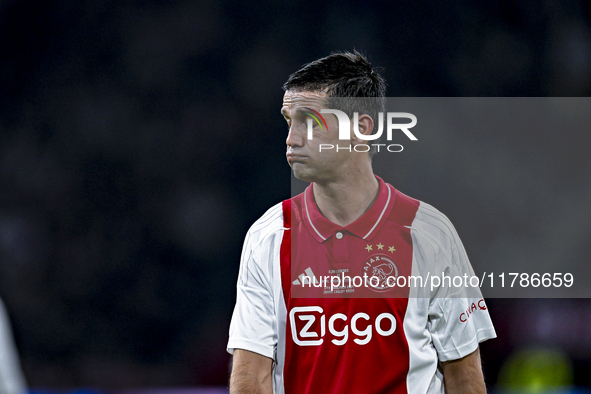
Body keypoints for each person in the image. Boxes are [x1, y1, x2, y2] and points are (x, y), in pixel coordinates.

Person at [227, 51, 496, 394]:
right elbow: (251, 378)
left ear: (362, 128)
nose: (291, 139)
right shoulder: (268, 236)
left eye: (309, 121)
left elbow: (463, 376)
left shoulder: (429, 233)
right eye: (288, 120)